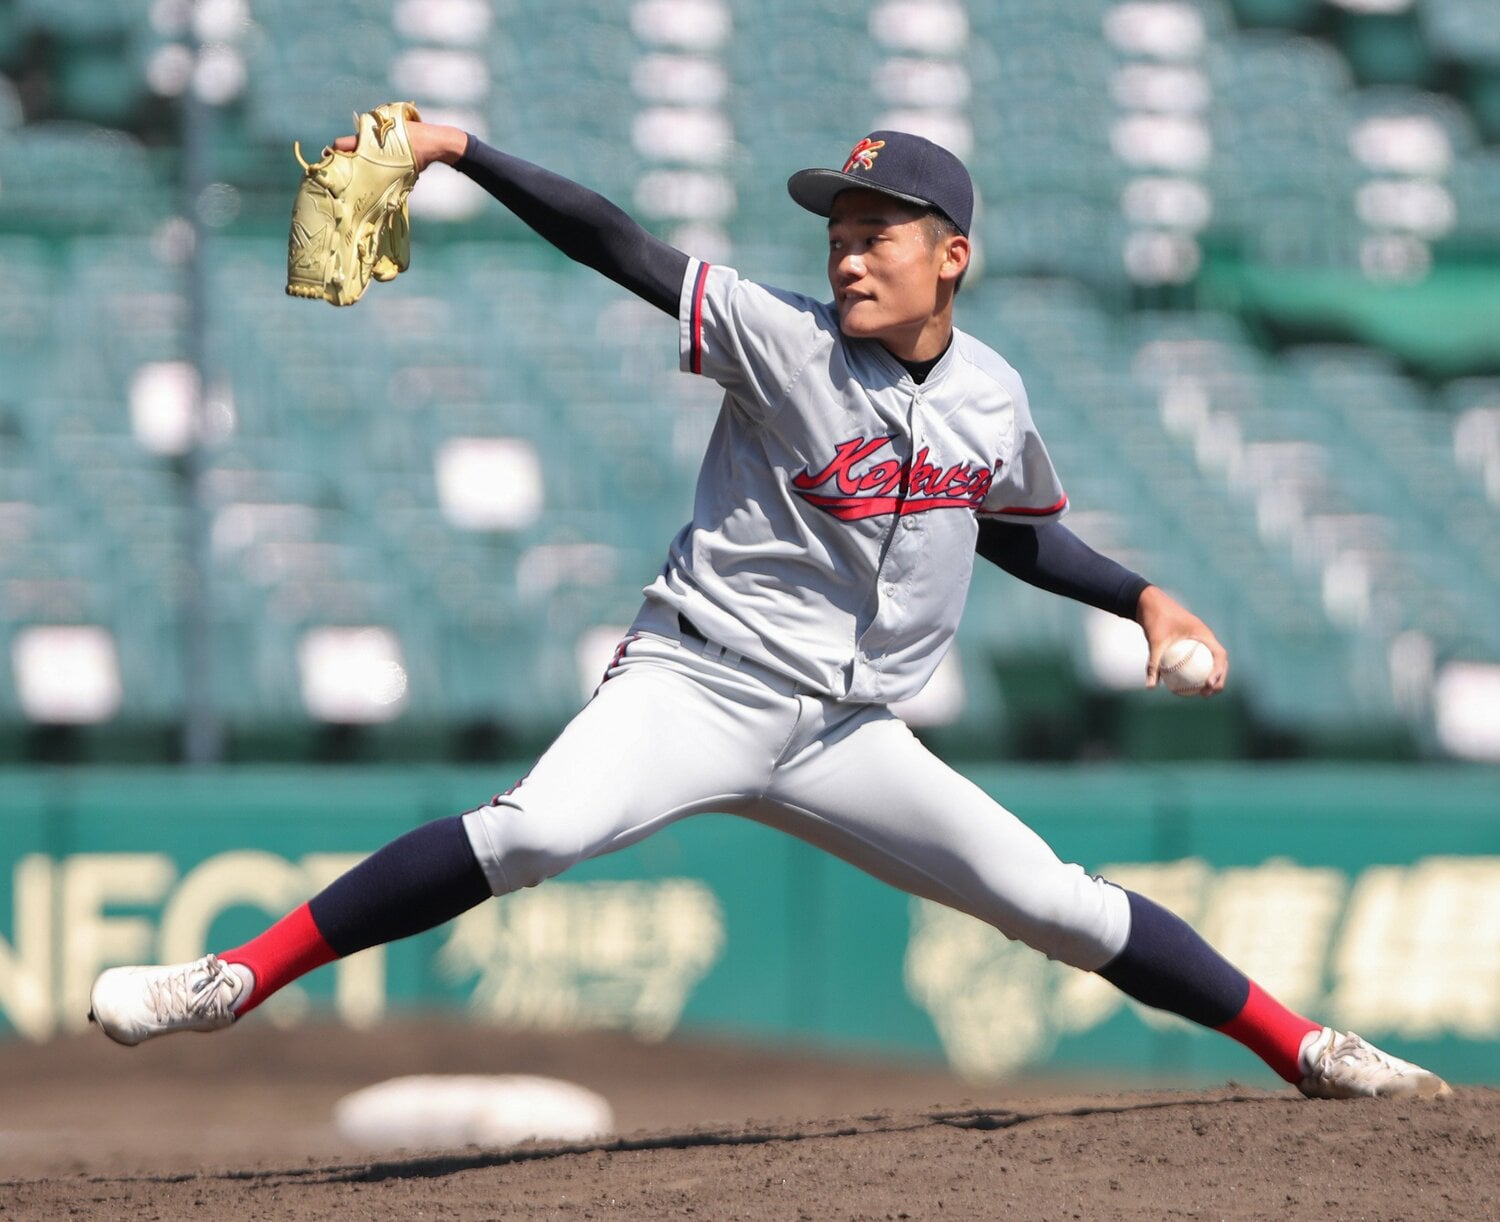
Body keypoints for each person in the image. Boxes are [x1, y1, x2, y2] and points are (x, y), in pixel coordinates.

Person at [90, 124, 1449, 1101]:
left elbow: (1014, 533)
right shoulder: (779, 335)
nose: (849, 257)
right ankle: (230, 978)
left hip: (849, 732)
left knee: (1061, 904)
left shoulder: (993, 395)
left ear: (951, 256)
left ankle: (1310, 1049)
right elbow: (617, 241)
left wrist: (1143, 596)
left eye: (878, 236)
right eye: (839, 235)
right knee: (537, 826)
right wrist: (461, 149)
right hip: (697, 683)